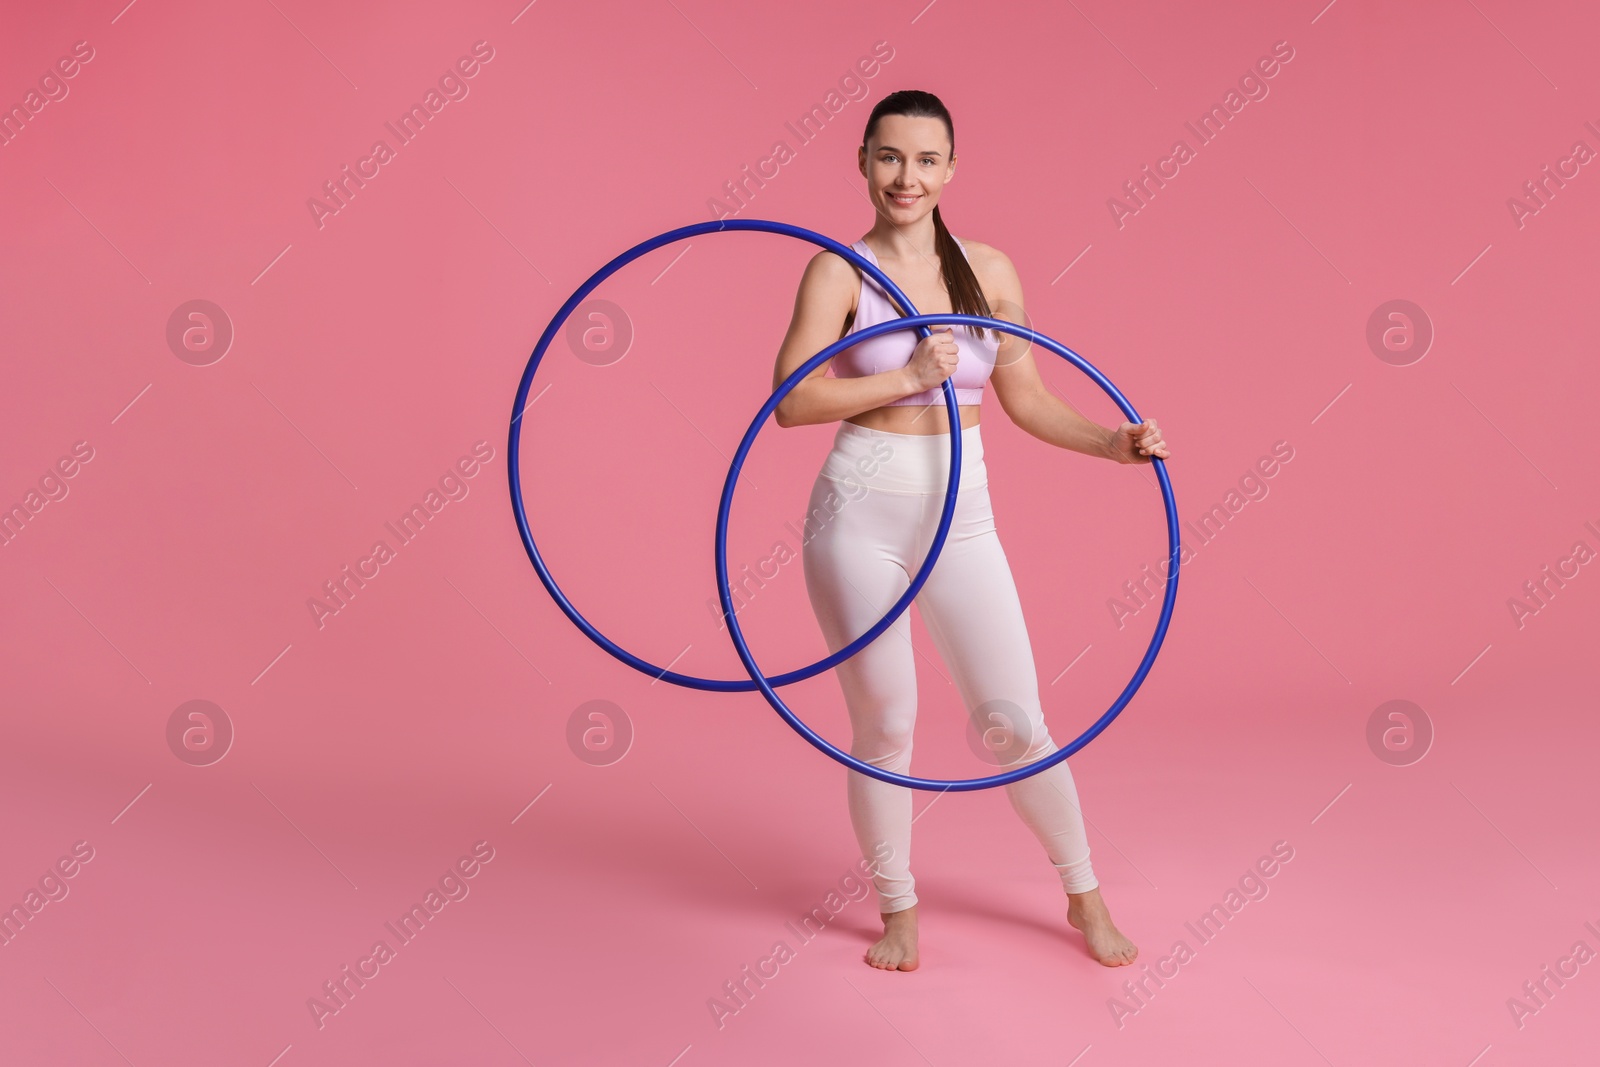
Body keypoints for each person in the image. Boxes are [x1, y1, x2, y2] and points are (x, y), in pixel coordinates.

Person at [770, 90, 1171, 972]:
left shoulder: (990, 271)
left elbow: (1024, 399)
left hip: (964, 514)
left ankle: (1084, 898)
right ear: (863, 161)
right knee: (885, 722)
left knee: (1013, 719)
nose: (904, 177)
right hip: (856, 517)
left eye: (923, 160)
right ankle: (898, 910)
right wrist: (909, 371)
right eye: (887, 157)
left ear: (951, 169)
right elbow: (791, 401)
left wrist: (1112, 443)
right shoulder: (839, 272)